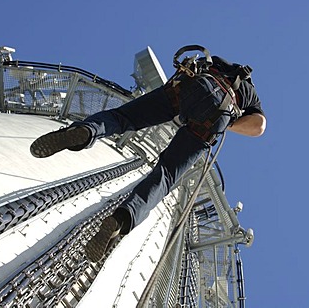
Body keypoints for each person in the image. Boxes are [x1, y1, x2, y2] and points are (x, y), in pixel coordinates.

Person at [30, 54, 266, 262]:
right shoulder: (250, 95)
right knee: (165, 176)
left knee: (124, 117)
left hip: (190, 86)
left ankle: (84, 131)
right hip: (219, 113)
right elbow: (258, 127)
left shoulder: (221, 61)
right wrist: (228, 121)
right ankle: (123, 219)